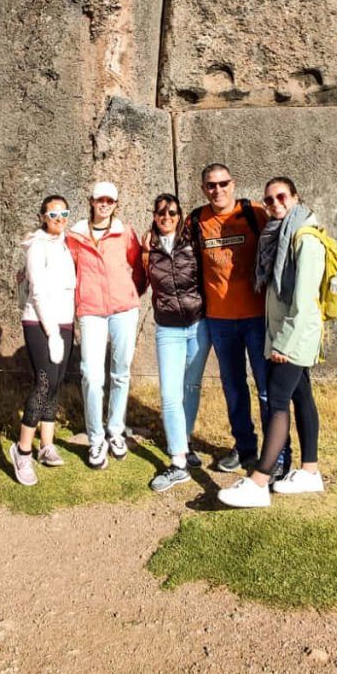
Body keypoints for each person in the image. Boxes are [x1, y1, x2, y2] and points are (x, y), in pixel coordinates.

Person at [218, 177, 326, 508]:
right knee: (301, 395)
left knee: (277, 402)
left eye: (281, 197)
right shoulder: (282, 235)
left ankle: (259, 481)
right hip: (289, 334)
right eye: (269, 200)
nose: (275, 203)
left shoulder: (304, 240)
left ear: (295, 197)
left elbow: (304, 301)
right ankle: (310, 472)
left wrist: (284, 344)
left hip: (294, 336)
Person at [190, 163, 289, 474]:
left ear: (233, 184)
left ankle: (278, 456)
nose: (217, 190)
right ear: (203, 188)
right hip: (219, 320)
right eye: (210, 185)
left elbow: (287, 232)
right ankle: (245, 447)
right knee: (233, 387)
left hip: (258, 318)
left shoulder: (254, 212)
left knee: (265, 389)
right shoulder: (197, 220)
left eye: (223, 183)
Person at [67, 181, 146, 470]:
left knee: (121, 372)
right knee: (90, 373)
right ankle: (95, 437)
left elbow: (138, 266)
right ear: (90, 200)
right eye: (100, 199)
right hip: (91, 310)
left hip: (123, 309)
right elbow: (68, 269)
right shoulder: (75, 235)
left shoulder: (125, 232)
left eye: (110, 201)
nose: (104, 204)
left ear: (115, 204)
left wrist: (129, 293)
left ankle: (116, 431)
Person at [142, 193, 211, 492]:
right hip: (168, 329)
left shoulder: (192, 244)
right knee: (170, 394)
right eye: (161, 212)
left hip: (198, 325)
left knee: (191, 387)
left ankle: (185, 442)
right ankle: (178, 462)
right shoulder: (147, 250)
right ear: (154, 216)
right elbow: (133, 280)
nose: (166, 217)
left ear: (180, 215)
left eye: (172, 212)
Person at [9, 195, 76, 487]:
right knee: (45, 382)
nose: (59, 218)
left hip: (65, 320)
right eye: (53, 214)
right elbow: (36, 291)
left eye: (63, 213)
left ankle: (46, 444)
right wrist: (52, 334)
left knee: (56, 383)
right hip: (40, 322)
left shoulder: (64, 243)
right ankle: (22, 450)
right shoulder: (37, 246)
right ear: (42, 217)